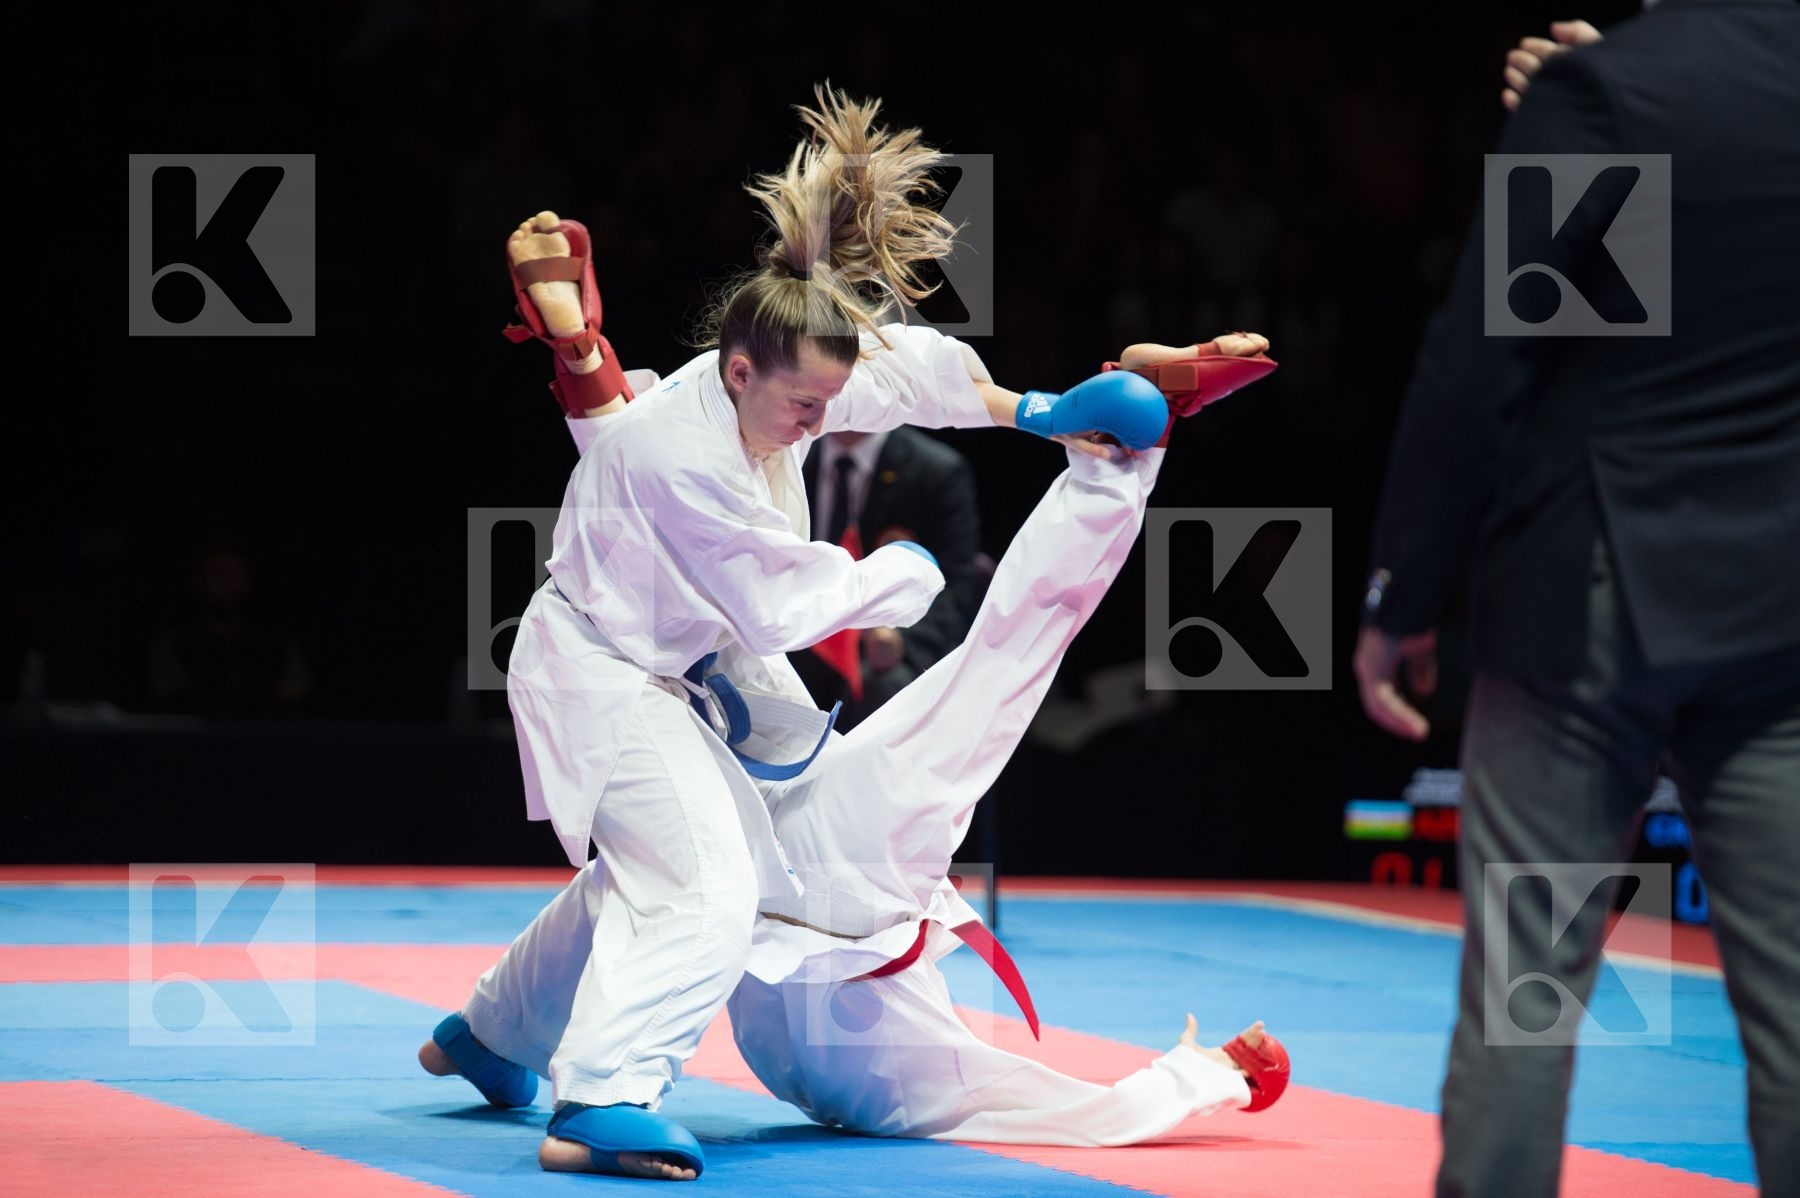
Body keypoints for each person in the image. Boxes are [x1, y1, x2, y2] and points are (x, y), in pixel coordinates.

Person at [420, 85, 1280, 1180]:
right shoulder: (681, 457)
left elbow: (897, 372)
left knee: (653, 862)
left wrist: (1039, 409)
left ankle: (494, 1033)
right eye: (802, 410)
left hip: (696, 680)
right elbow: (780, 600)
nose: (820, 425)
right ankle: (602, 1096)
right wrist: (897, 576)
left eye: (826, 406)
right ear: (738, 372)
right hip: (608, 669)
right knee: (702, 878)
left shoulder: (766, 381)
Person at [1355, 10, 1800, 1197]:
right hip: (1782, 620)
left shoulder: (1612, 93)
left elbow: (1491, 357)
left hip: (1593, 614)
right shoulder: (1635, 91)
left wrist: (1404, 589)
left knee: (1527, 993)